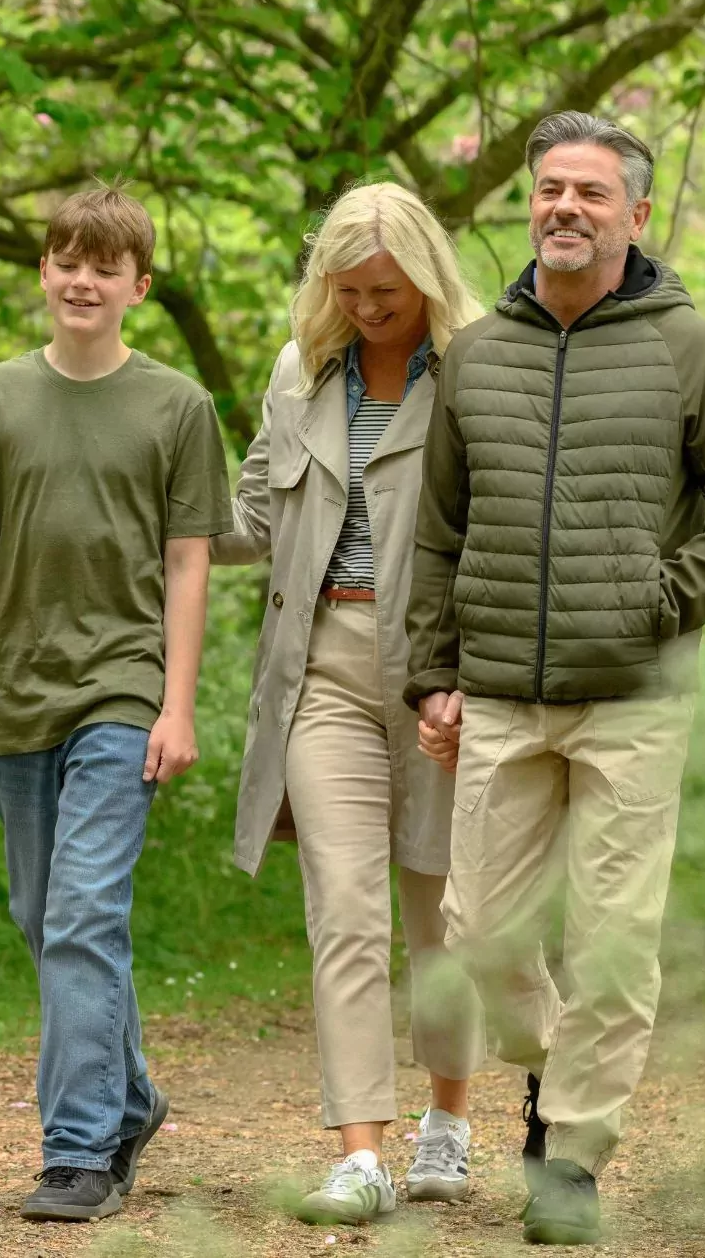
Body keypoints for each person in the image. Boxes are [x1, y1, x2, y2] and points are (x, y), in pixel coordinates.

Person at [405, 111, 705, 1246]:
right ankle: (556, 1071)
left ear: (635, 212)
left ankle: (568, 1158)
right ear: (529, 204)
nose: (564, 208)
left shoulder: (684, 345)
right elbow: (436, 530)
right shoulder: (477, 352)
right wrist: (432, 676)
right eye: (548, 190)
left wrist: (662, 600)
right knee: (477, 936)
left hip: (631, 698)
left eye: (588, 192)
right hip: (502, 697)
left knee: (613, 943)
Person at [0, 187, 232, 1223]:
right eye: (65, 260)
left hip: (122, 688)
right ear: (44, 274)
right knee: (43, 919)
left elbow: (189, 566)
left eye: (104, 266)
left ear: (139, 286)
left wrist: (175, 706)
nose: (81, 280)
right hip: (18, 690)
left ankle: (78, 1151)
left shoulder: (178, 407)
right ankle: (129, 1097)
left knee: (84, 913)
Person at [212, 182, 486, 1226]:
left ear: (425, 277)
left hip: (437, 671)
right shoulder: (299, 371)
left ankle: (447, 1124)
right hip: (320, 663)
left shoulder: (472, 371)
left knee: (441, 916)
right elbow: (248, 516)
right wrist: (140, 524)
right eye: (351, 290)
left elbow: (499, 536)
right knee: (343, 911)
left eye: (390, 290)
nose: (371, 308)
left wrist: (471, 673)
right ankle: (359, 1152)